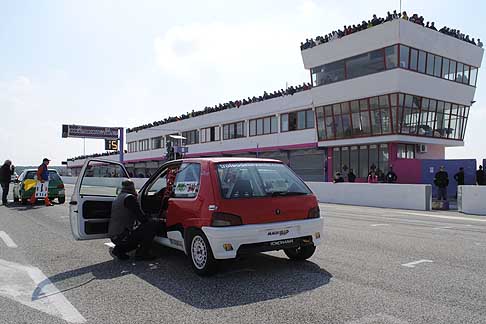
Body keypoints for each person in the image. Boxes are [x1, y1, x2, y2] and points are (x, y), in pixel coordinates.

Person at [108, 179, 162, 261]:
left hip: (115, 236)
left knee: (144, 227)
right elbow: (142, 218)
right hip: (123, 236)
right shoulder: (130, 198)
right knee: (152, 224)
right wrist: (157, 219)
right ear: (132, 187)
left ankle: (119, 249)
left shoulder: (119, 197)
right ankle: (142, 253)